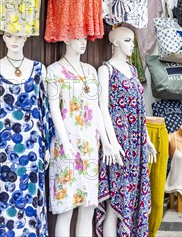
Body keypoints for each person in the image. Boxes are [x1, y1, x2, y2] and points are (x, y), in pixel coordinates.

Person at [47, 38, 122, 237]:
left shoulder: (90, 71)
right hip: (66, 148)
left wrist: (105, 142)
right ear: (65, 38)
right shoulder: (54, 71)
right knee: (66, 210)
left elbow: (96, 108)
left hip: (89, 147)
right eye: (77, 37)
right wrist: (64, 143)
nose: (83, 42)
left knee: (87, 209)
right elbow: (54, 109)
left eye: (84, 37)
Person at [95, 27, 157, 237]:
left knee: (133, 196)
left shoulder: (132, 70)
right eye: (128, 40)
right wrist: (111, 143)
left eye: (132, 41)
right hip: (119, 144)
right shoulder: (106, 70)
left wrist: (147, 139)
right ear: (115, 43)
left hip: (137, 143)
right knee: (116, 202)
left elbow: (141, 108)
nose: (132, 45)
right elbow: (102, 108)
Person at [0, 32, 51, 236]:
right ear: (3, 37)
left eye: (19, 36)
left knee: (31, 201)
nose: (14, 41)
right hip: (4, 150)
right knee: (5, 203)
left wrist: (47, 146)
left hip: (32, 147)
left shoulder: (39, 69)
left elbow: (44, 109)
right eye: (10, 36)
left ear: (26, 38)